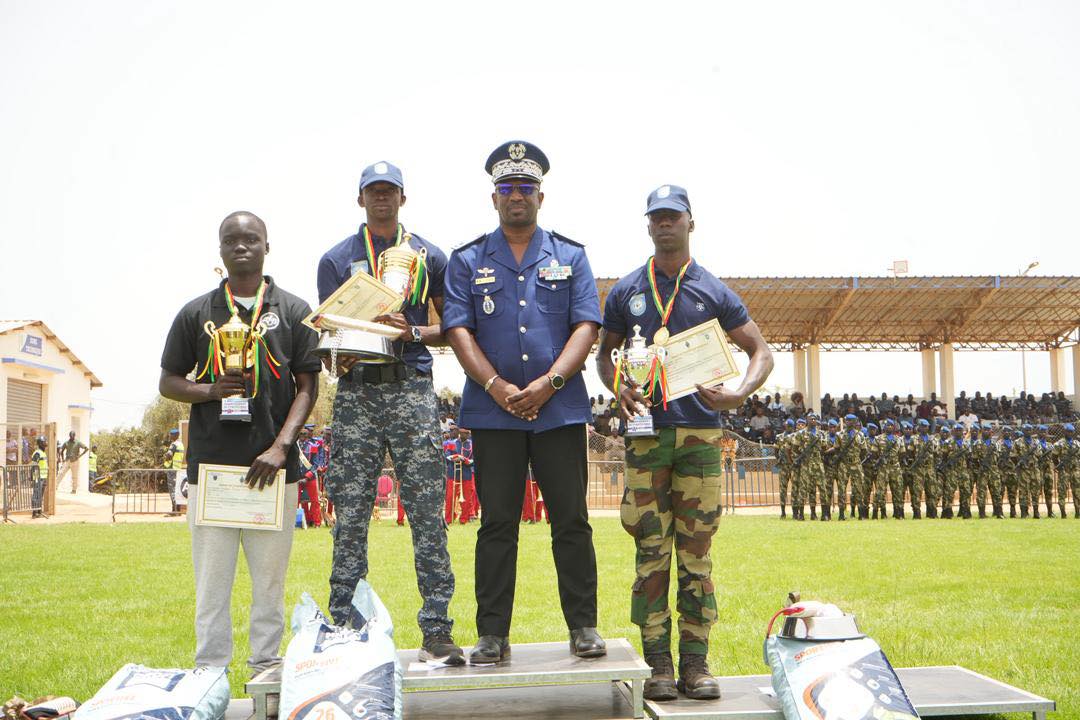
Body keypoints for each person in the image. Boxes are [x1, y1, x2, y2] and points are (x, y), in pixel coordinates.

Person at [597, 183, 772, 700]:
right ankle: (658, 666)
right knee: (651, 550)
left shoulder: (714, 292)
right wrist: (616, 387)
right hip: (646, 437)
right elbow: (603, 355)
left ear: (690, 223)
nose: (664, 224)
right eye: (656, 217)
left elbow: (760, 351)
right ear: (647, 225)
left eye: (673, 216)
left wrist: (739, 392)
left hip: (700, 434)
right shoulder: (626, 290)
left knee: (696, 551)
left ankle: (696, 664)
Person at [442, 141, 605, 665]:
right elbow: (458, 329)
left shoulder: (570, 255)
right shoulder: (468, 259)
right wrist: (495, 386)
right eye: (508, 188)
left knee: (571, 522)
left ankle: (583, 627)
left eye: (526, 188)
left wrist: (550, 383)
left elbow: (586, 325)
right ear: (494, 198)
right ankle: (492, 634)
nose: (517, 196)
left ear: (541, 195)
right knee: (497, 525)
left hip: (558, 410)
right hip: (494, 413)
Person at [159, 210, 319, 676]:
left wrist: (281, 448)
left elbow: (308, 387)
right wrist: (209, 390)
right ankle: (209, 672)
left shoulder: (293, 311)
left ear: (268, 246)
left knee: (269, 582)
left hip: (273, 469)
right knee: (212, 583)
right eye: (231, 240)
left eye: (251, 239)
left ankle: (266, 668)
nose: (241, 246)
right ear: (221, 249)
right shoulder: (197, 312)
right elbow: (169, 381)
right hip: (213, 470)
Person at [317, 161, 462, 664]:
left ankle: (438, 629)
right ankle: (344, 625)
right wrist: (341, 351)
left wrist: (411, 332)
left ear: (403, 197)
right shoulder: (337, 259)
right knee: (350, 513)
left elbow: (454, 328)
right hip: (357, 393)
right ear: (360, 199)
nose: (381, 199)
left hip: (411, 389)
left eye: (390, 191)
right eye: (372, 192)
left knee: (426, 512)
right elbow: (328, 339)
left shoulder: (430, 256)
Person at [1053, 424, 1079, 518]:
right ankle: (1063, 513)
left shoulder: (1077, 443)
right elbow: (1054, 457)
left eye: (1072, 432)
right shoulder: (1059, 444)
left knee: (1077, 492)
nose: (1070, 433)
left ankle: (1078, 513)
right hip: (1064, 471)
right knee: (1062, 492)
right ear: (1064, 432)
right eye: (1068, 431)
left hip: (1075, 471)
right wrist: (1058, 466)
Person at [163, 428, 186, 513]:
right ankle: (178, 509)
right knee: (177, 489)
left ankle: (174, 510)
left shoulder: (174, 444)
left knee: (172, 489)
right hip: (178, 469)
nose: (170, 436)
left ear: (175, 435)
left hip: (172, 469)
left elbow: (169, 454)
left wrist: (166, 458)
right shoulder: (181, 444)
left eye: (171, 435)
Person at [1036, 425, 1057, 517]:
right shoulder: (1034, 444)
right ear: (1038, 433)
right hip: (1037, 470)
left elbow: (1054, 457)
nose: (1043, 434)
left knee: (1049, 492)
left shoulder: (1050, 445)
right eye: (1041, 432)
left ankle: (1050, 512)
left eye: (1045, 432)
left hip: (1048, 471)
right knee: (1036, 492)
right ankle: (1036, 512)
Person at [777, 419, 795, 519]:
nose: (787, 427)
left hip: (792, 466)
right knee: (783, 490)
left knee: (794, 489)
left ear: (792, 427)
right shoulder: (779, 437)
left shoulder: (796, 436)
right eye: (786, 426)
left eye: (789, 426)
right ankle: (783, 512)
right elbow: (776, 450)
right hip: (783, 466)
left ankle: (794, 511)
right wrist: (779, 460)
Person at [30, 436, 48, 518]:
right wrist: (33, 477)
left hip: (43, 477)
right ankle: (34, 512)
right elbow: (34, 465)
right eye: (44, 441)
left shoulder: (43, 453)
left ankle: (39, 511)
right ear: (40, 443)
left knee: (40, 495)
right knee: (36, 494)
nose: (46, 443)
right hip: (38, 476)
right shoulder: (37, 453)